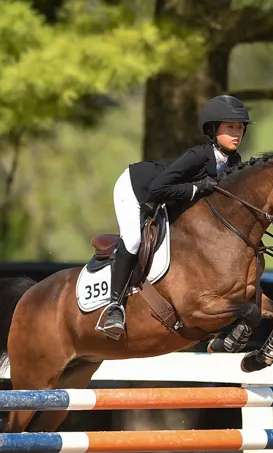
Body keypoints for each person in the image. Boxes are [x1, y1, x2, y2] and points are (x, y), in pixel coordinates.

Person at [99, 94, 253, 337]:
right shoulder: (198, 155)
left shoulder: (234, 161)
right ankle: (114, 308)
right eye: (231, 127)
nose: (237, 133)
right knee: (133, 240)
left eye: (241, 128)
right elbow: (157, 188)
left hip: (166, 198)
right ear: (213, 130)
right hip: (136, 187)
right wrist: (197, 187)